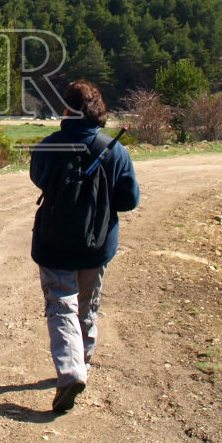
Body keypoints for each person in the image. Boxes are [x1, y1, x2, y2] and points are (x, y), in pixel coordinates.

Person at [29, 79, 139, 413]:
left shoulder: (48, 146)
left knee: (60, 305)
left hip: (53, 243)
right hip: (97, 244)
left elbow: (39, 179)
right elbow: (129, 200)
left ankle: (71, 369)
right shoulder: (115, 150)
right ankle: (84, 364)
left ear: (67, 110)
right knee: (87, 304)